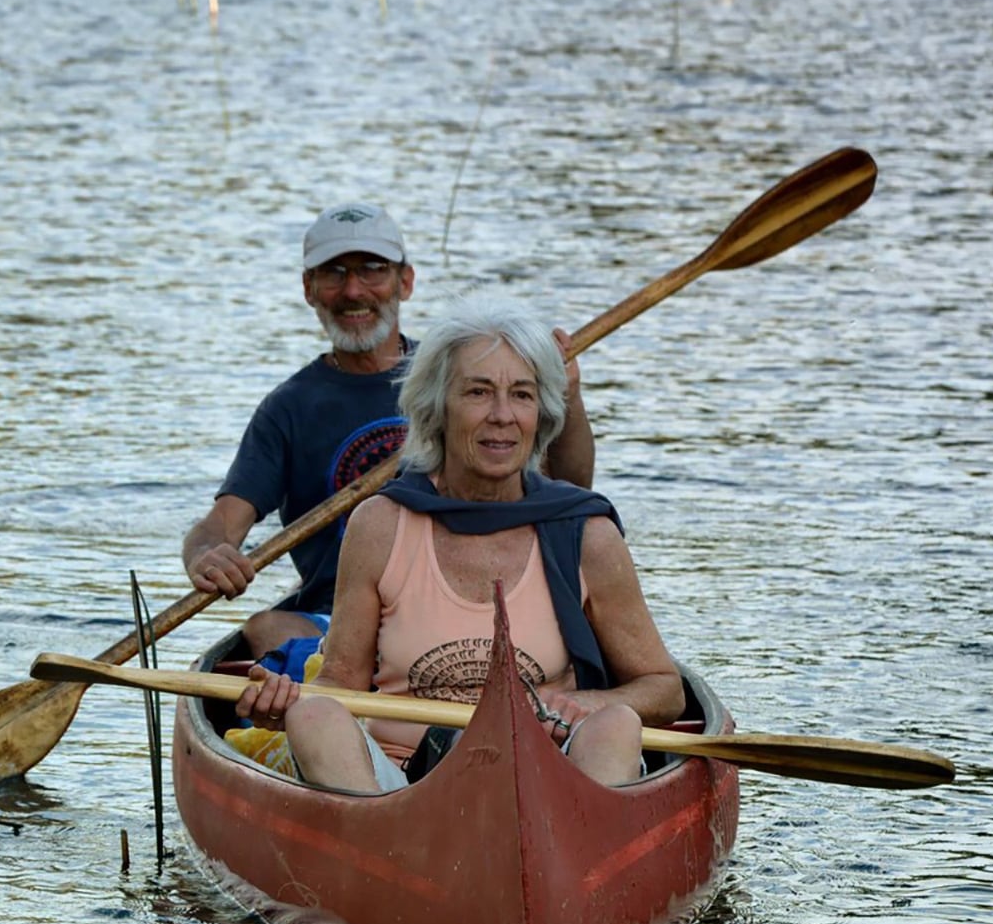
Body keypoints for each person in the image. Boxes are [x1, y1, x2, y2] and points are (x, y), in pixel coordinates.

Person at [233, 294, 684, 791]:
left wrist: (590, 704)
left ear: (543, 414)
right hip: (399, 788)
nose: (502, 415)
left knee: (616, 726)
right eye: (477, 392)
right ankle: (388, 856)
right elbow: (338, 683)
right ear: (437, 408)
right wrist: (286, 704)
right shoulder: (380, 525)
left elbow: (663, 689)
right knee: (314, 719)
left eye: (522, 395)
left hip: (548, 779)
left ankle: (584, 858)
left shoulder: (587, 535)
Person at [182, 203, 596, 662]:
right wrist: (207, 554)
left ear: (406, 282)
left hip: (480, 597)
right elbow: (223, 523)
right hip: (337, 618)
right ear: (309, 289)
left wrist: (569, 395)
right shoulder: (288, 409)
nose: (354, 290)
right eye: (334, 273)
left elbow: (571, 489)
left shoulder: (463, 375)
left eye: (372, 270)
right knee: (268, 629)